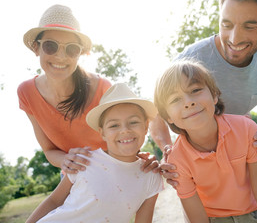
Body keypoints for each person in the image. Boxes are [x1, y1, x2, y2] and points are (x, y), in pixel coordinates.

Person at [150, 0, 257, 221]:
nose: (234, 38)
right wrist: (167, 152)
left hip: (245, 150)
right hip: (201, 165)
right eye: (226, 24)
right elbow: (156, 114)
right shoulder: (189, 61)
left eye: (249, 26)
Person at [18, 4, 158, 175]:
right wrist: (66, 161)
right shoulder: (26, 93)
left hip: (116, 169)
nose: (61, 56)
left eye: (71, 49)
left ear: (80, 53)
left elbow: (128, 130)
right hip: (74, 173)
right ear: (36, 48)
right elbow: (49, 150)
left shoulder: (101, 88)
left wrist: (138, 156)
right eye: (50, 46)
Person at [154, 61, 257, 223]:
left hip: (255, 214)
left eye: (195, 90)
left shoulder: (246, 129)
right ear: (168, 117)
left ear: (214, 95)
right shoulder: (176, 160)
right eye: (175, 100)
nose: (188, 102)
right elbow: (197, 218)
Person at [26, 83, 164, 223]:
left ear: (146, 126)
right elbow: (54, 200)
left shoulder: (151, 176)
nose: (124, 130)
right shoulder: (83, 161)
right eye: (114, 125)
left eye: (133, 122)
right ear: (102, 132)